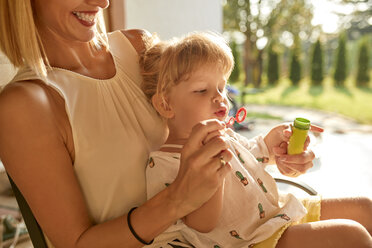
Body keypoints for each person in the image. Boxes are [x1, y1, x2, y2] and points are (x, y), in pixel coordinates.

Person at [140, 32, 372, 248]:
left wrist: (279, 143)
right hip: (250, 240)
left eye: (221, 88)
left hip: (273, 215)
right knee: (352, 236)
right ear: (166, 105)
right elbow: (202, 224)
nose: (219, 98)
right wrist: (215, 163)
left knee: (365, 208)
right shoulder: (164, 163)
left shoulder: (225, 136)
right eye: (201, 90)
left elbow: (258, 152)